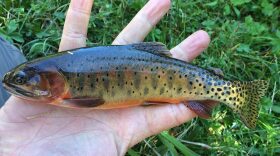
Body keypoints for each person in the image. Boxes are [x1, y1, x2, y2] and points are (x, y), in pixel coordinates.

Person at [0, 0, 210, 155]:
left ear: (53, 78)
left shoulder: (64, 92)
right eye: (21, 81)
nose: (15, 84)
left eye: (21, 81)